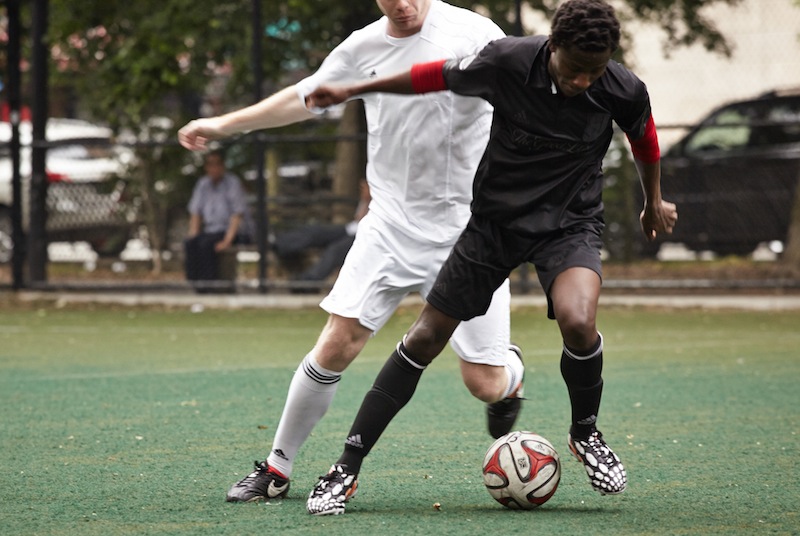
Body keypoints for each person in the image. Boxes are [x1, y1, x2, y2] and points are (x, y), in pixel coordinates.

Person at [304, 0, 678, 515]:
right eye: (573, 70)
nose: (582, 83)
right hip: (493, 226)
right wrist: (351, 89)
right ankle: (345, 467)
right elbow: (429, 77)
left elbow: (645, 139)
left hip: (569, 224)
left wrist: (652, 200)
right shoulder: (506, 61)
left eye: (594, 72)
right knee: (425, 337)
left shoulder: (621, 87)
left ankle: (585, 433)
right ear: (552, 49)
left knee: (577, 319)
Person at [178, 0, 526, 505]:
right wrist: (223, 124)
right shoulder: (363, 46)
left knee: (485, 385)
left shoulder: (476, 34)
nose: (401, 5)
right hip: (388, 227)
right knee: (337, 343)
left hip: (468, 234)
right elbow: (305, 97)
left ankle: (511, 372)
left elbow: (530, 96)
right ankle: (277, 467)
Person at [273, 180, 371, 291]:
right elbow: (358, 218)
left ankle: (308, 282)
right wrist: (365, 200)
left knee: (335, 250)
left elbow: (367, 221)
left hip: (365, 234)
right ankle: (280, 244)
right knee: (315, 231)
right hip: (350, 228)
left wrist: (369, 199)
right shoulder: (370, 192)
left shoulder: (383, 195)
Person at [184, 148, 252, 292]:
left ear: (222, 166)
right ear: (206, 167)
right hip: (211, 231)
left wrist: (227, 241)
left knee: (207, 244)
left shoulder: (232, 183)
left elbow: (237, 215)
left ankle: (211, 285)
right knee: (191, 243)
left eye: (217, 164)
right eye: (210, 164)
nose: (214, 168)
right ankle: (197, 285)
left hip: (232, 232)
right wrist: (193, 235)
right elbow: (196, 213)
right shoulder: (203, 185)